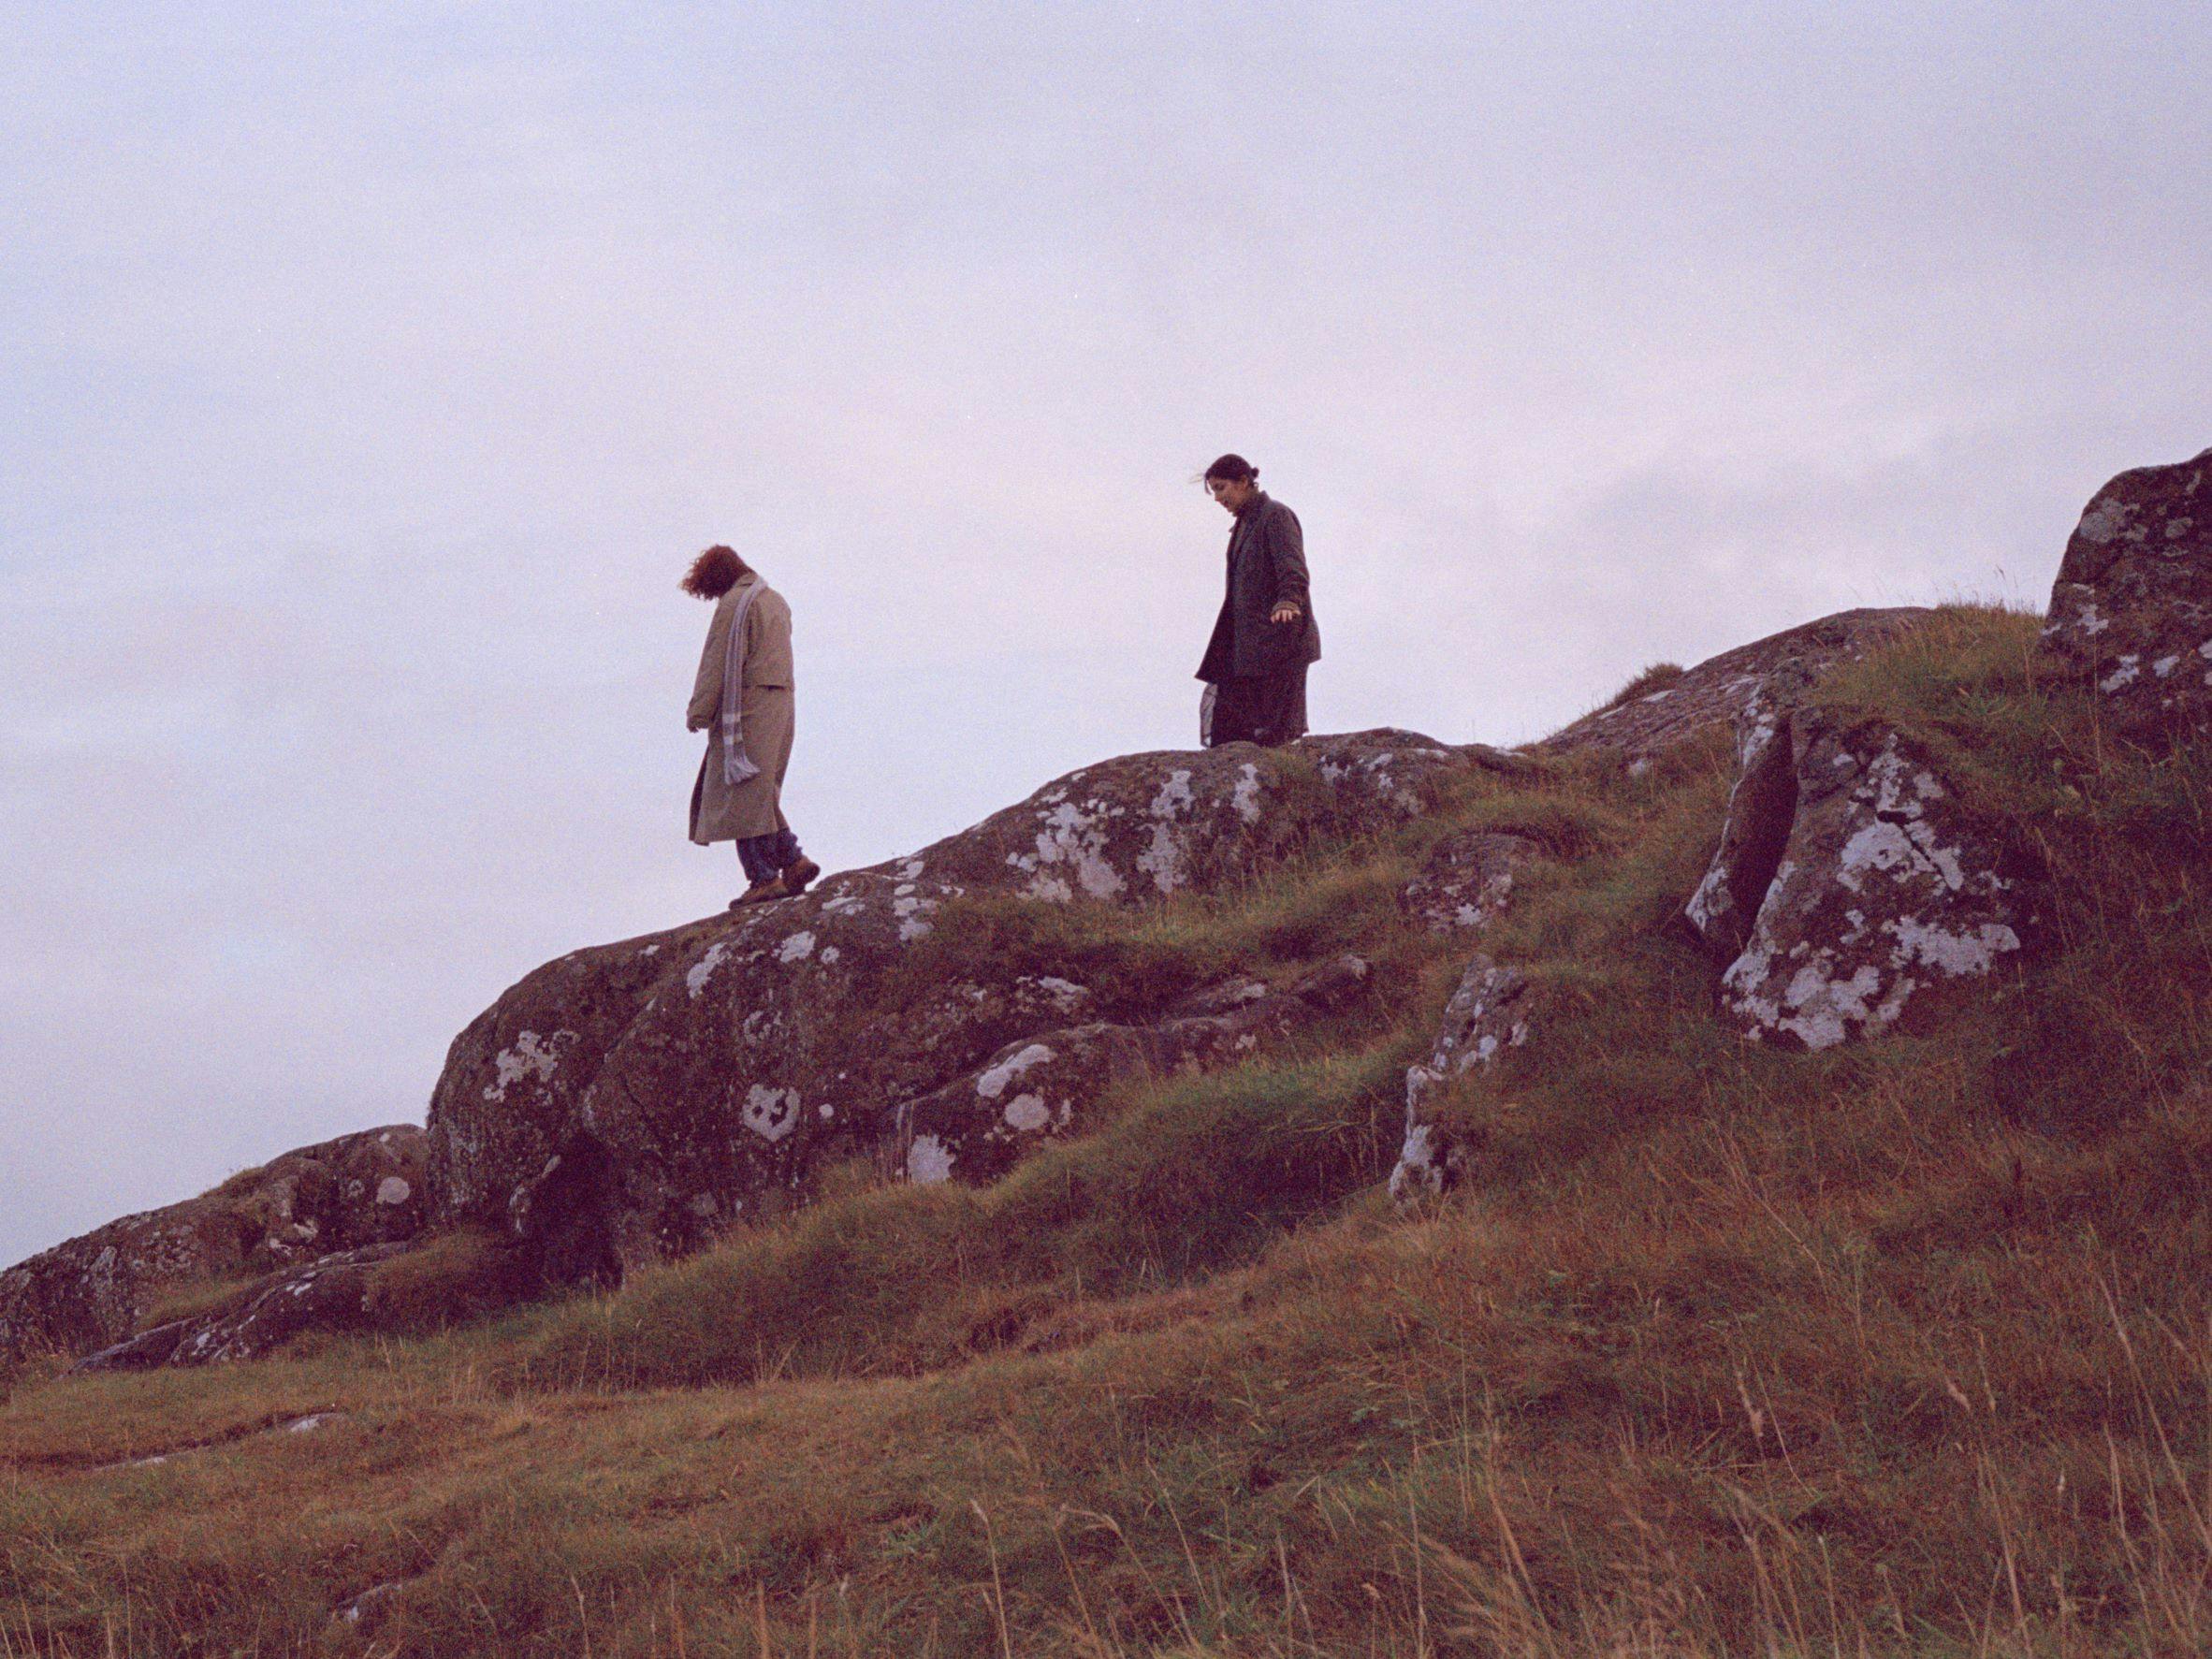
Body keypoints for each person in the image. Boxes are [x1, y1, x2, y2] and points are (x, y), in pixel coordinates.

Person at [682, 546, 820, 906]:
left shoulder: (735, 604)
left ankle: (763, 878)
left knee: (742, 795)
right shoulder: (775, 600)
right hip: (781, 706)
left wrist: (699, 711)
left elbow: (717, 661)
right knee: (760, 795)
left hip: (748, 711)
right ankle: (793, 861)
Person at [1195, 454, 1320, 747]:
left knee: (1272, 734)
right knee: (1232, 735)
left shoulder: (1274, 515)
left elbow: (1293, 567)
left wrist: (1288, 601)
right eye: (1214, 491)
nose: (1217, 498)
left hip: (1279, 643)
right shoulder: (1243, 526)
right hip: (1248, 649)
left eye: (1221, 488)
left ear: (1243, 482)